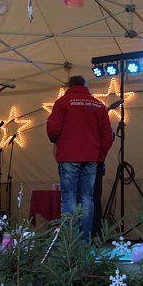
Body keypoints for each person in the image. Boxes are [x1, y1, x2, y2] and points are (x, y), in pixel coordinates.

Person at [46, 75, 113, 241]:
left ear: (69, 85)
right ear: (85, 86)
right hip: (91, 158)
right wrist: (99, 156)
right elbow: (107, 137)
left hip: (69, 156)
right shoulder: (99, 105)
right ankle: (84, 241)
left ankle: (70, 242)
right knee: (87, 199)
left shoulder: (62, 102)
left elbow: (53, 130)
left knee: (68, 197)